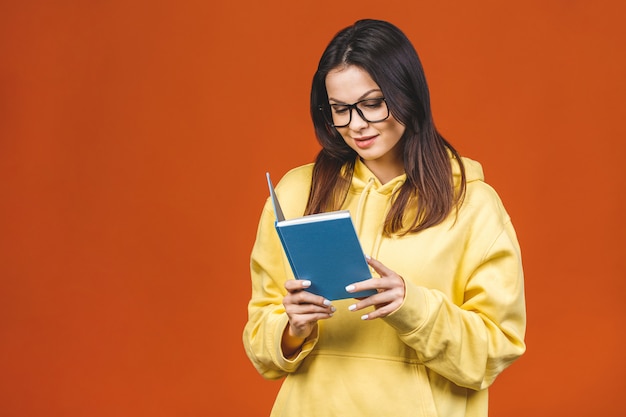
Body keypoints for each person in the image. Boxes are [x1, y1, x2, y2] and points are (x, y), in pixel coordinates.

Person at [243, 19, 526, 417]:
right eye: (340, 110)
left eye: (372, 104)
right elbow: (261, 344)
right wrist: (291, 330)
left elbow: (493, 351)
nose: (356, 125)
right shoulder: (295, 194)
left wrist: (413, 306)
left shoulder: (473, 205)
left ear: (407, 94)